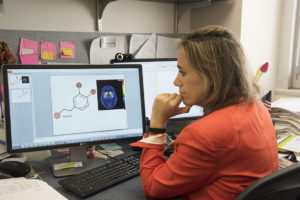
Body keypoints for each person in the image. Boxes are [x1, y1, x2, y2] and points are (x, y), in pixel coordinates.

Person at [131, 25, 278, 200]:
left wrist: (156, 125)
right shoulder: (256, 105)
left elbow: (152, 188)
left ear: (211, 75)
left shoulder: (203, 135)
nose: (176, 81)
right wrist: (189, 149)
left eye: (182, 72)